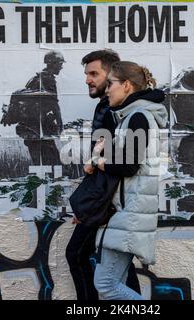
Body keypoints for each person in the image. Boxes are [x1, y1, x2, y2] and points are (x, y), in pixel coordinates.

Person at [65, 50, 141, 300]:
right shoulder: (108, 107)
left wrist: (94, 207)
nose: (88, 79)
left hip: (111, 203)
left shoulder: (116, 111)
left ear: (113, 75)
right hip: (108, 202)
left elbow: (120, 164)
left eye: (94, 74)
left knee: (77, 254)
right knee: (119, 269)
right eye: (86, 74)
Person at [91, 61, 168, 300]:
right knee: (115, 283)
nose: (107, 90)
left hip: (128, 215)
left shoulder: (138, 117)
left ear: (126, 85)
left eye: (111, 84)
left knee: (106, 285)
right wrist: (105, 151)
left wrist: (99, 161)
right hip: (126, 213)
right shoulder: (131, 117)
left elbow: (129, 165)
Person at [15, 50, 65, 166]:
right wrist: (60, 125)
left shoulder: (35, 79)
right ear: (53, 63)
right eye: (60, 64)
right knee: (53, 162)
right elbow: (54, 104)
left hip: (30, 127)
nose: (61, 67)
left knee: (40, 162)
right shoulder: (48, 79)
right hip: (40, 127)